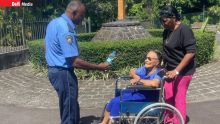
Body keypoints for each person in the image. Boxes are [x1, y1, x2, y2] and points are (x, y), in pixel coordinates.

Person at [44, 1, 110, 124]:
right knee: (69, 109)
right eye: (82, 15)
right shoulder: (66, 29)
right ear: (74, 13)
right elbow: (74, 61)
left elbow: (47, 45)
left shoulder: (54, 23)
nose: (83, 18)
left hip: (54, 71)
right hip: (63, 73)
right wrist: (99, 67)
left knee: (69, 104)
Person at [100, 50, 162, 124]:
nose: (146, 60)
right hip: (138, 93)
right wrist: (135, 76)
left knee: (117, 102)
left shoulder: (159, 72)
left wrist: (139, 80)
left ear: (157, 62)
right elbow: (131, 71)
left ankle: (111, 121)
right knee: (112, 101)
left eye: (149, 59)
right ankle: (103, 122)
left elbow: (155, 83)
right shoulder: (144, 69)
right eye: (146, 58)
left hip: (147, 98)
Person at [159, 5, 196, 124]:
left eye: (164, 20)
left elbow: (190, 53)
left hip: (183, 71)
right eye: (161, 20)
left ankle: (179, 121)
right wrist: (162, 65)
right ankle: (169, 119)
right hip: (170, 70)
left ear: (173, 17)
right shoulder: (167, 31)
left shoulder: (184, 30)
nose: (162, 23)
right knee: (168, 96)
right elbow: (166, 50)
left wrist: (177, 71)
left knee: (178, 98)